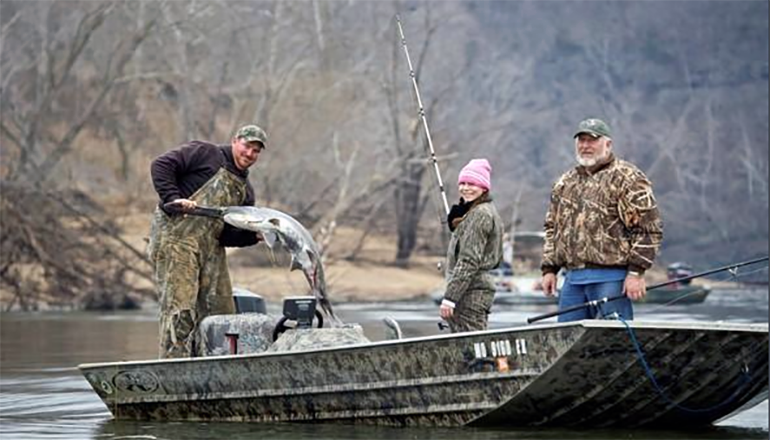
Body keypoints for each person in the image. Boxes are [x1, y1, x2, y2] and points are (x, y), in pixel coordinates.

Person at [147, 124, 267, 358]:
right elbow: (160, 165)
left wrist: (254, 236)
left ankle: (213, 365)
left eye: (256, 151)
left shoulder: (246, 191)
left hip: (211, 248)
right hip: (176, 240)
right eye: (247, 146)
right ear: (235, 141)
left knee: (221, 312)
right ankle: (174, 366)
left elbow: (227, 235)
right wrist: (173, 198)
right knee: (180, 311)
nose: (249, 154)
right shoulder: (205, 153)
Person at [540, 118, 663, 322]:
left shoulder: (628, 178)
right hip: (573, 279)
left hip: (612, 278)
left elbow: (649, 229)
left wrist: (636, 273)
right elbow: (552, 228)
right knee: (565, 339)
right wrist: (549, 269)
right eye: (581, 140)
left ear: (608, 144)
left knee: (613, 341)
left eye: (592, 140)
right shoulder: (565, 183)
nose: (586, 146)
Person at [440, 158, 504, 332]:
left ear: (484, 187)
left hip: (471, 293)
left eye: (472, 184)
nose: (465, 188)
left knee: (472, 350)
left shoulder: (480, 215)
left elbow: (469, 260)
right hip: (472, 290)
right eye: (463, 183)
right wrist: (459, 222)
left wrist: (450, 298)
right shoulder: (480, 211)